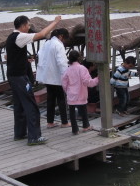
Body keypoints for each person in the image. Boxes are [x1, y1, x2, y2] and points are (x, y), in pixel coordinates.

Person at [6, 15, 61, 146]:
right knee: (31, 105)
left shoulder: (10, 37)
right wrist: (55, 22)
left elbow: (8, 56)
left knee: (19, 105)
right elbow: (42, 34)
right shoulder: (20, 36)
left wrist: (24, 60)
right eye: (29, 25)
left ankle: (19, 134)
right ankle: (34, 137)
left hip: (13, 76)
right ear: (24, 25)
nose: (29, 27)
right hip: (20, 77)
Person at [36, 28, 70, 128]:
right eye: (64, 39)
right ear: (61, 36)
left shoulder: (47, 43)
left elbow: (39, 55)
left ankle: (50, 122)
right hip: (56, 76)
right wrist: (66, 76)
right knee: (61, 99)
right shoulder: (58, 45)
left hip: (46, 76)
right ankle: (64, 122)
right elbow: (62, 63)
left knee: (50, 98)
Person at [62, 50, 99, 135]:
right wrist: (97, 79)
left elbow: (64, 83)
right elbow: (88, 82)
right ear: (79, 58)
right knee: (83, 109)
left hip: (71, 93)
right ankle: (86, 126)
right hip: (81, 93)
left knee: (71, 112)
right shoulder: (82, 68)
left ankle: (75, 129)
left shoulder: (67, 70)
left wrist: (67, 90)